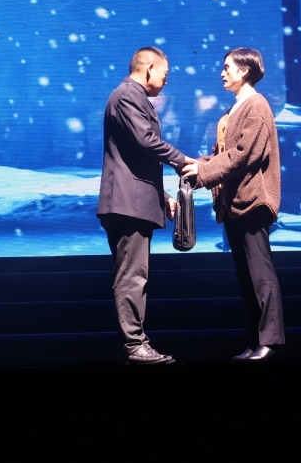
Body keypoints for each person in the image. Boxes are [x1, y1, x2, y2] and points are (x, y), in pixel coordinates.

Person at [182, 47, 285, 362]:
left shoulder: (257, 106)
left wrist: (203, 172)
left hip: (252, 203)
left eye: (228, 67)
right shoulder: (235, 109)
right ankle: (255, 341)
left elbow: (243, 155)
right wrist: (195, 165)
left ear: (245, 70)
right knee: (247, 276)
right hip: (234, 204)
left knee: (260, 273)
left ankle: (270, 342)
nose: (222, 73)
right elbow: (224, 154)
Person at [97, 46, 195, 366]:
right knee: (132, 276)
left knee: (134, 274)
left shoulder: (132, 97)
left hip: (133, 200)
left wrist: (161, 195)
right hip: (128, 204)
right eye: (165, 74)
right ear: (149, 67)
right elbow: (146, 142)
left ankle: (131, 345)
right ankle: (134, 346)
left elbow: (135, 158)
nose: (166, 81)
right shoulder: (128, 95)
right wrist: (183, 161)